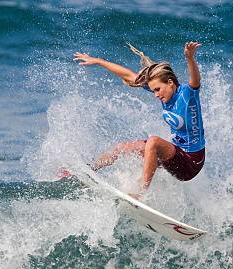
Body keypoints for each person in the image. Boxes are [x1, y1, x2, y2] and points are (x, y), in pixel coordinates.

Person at [73, 42, 205, 198]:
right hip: (175, 155)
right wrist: (98, 61)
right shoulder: (165, 94)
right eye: (153, 90)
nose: (156, 95)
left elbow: (195, 80)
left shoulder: (187, 95)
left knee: (153, 142)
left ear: (170, 83)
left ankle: (140, 194)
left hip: (191, 163)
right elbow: (129, 75)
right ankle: (89, 169)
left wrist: (189, 57)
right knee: (123, 147)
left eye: (158, 89)